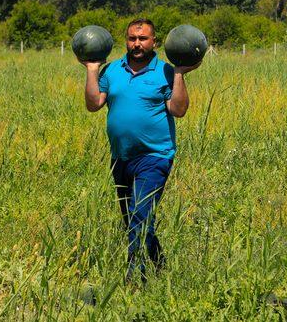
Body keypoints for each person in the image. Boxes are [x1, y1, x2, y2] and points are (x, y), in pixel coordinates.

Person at [79, 18, 200, 280]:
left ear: (154, 42)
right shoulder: (111, 71)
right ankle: (159, 263)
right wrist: (91, 69)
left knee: (138, 214)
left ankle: (136, 276)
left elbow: (178, 110)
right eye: (132, 38)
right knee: (133, 220)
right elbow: (93, 104)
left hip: (155, 156)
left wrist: (179, 73)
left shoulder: (166, 72)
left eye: (143, 39)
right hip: (120, 157)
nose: (137, 44)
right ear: (126, 41)